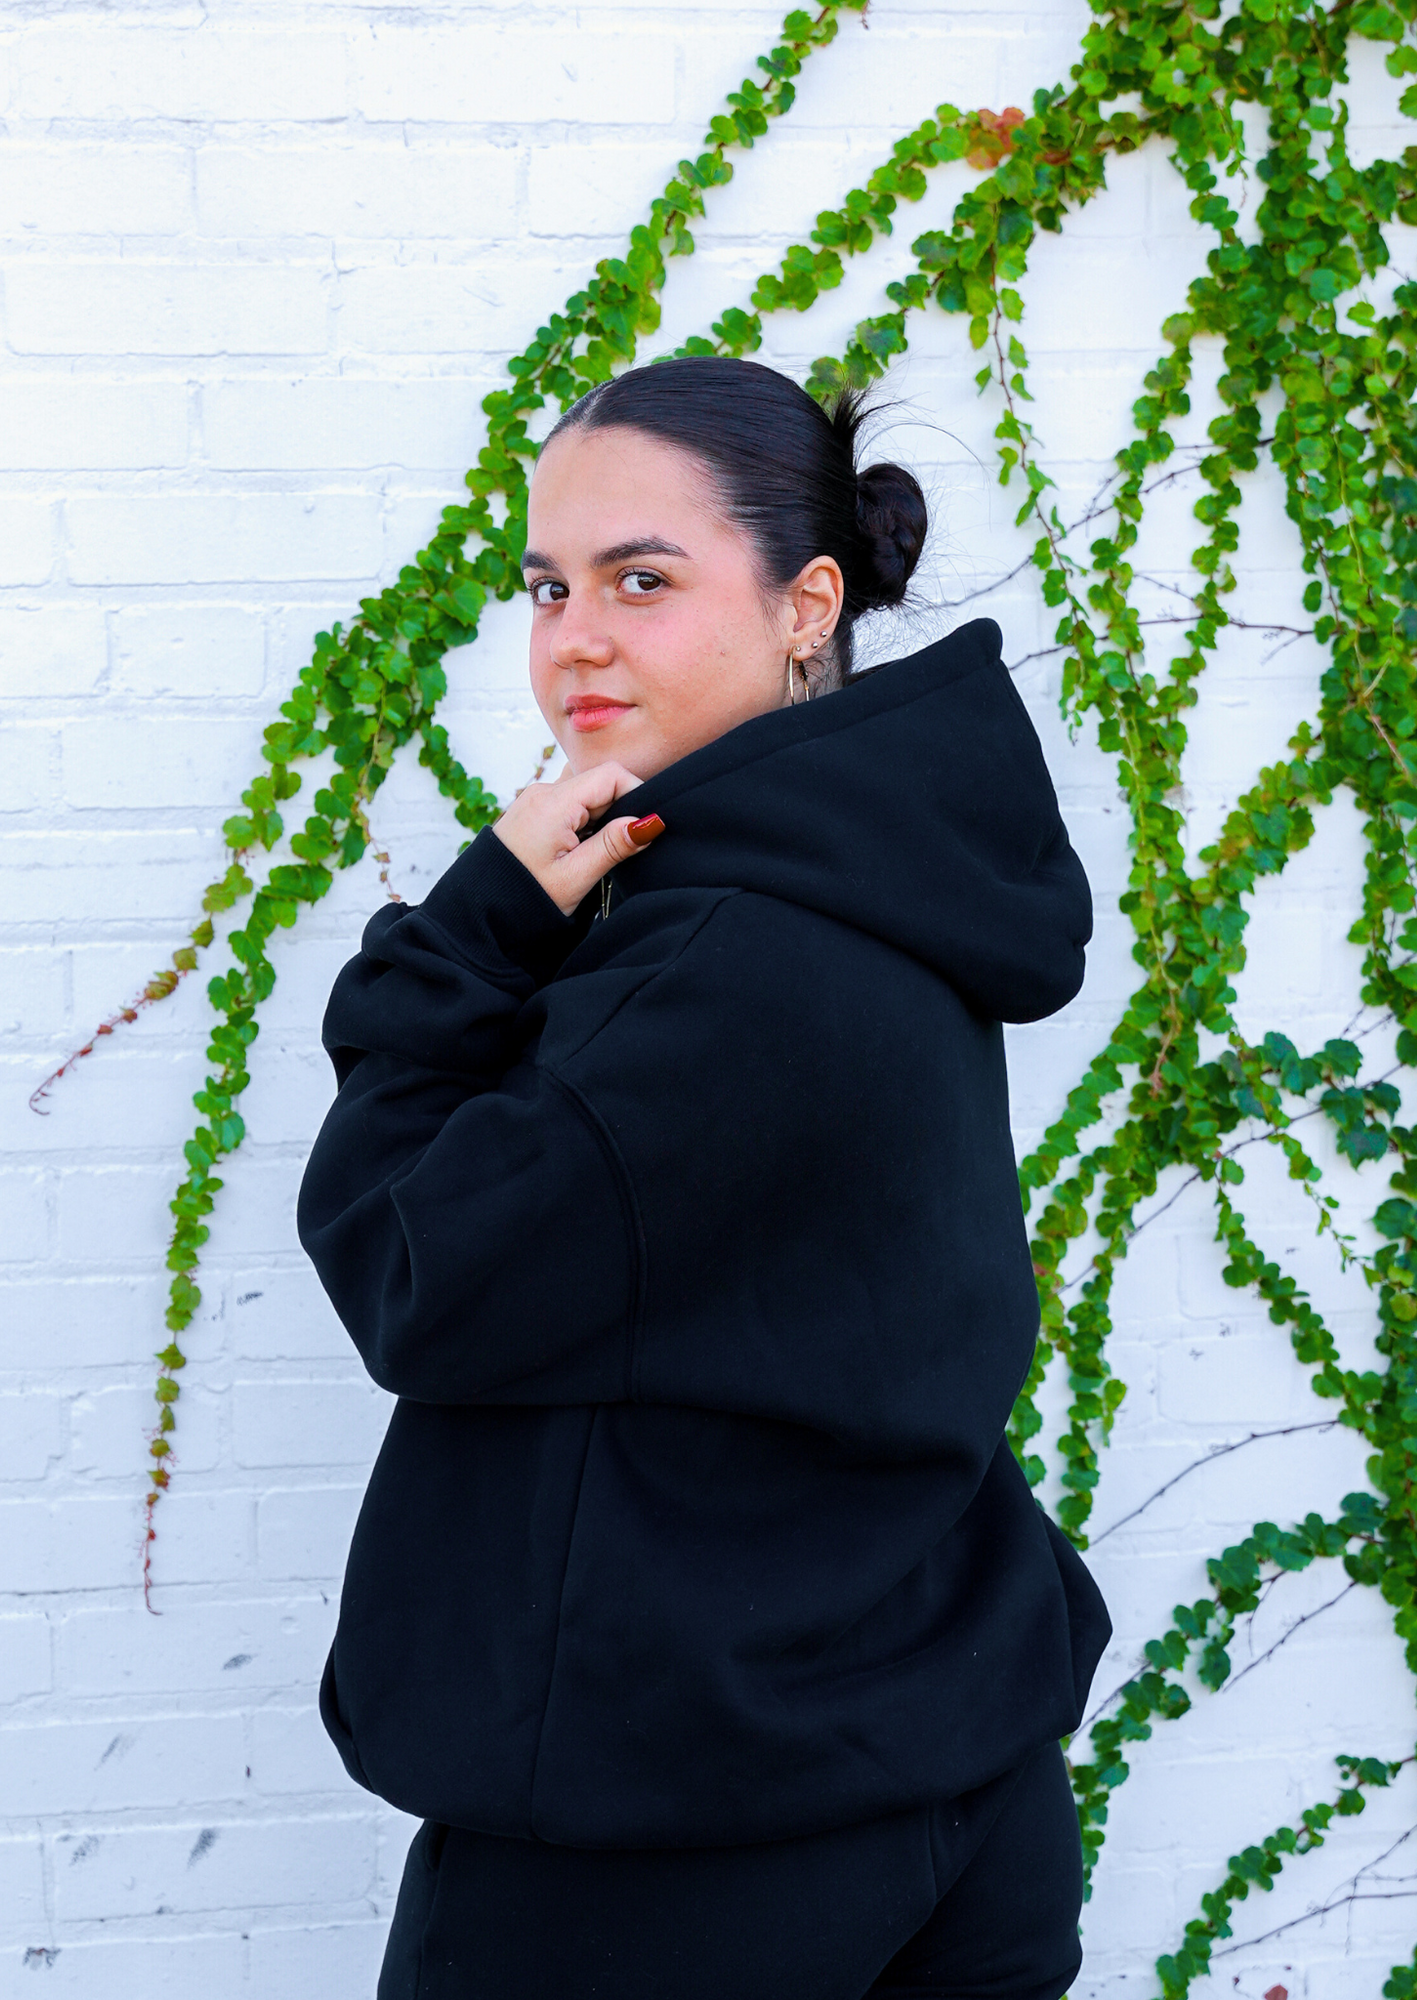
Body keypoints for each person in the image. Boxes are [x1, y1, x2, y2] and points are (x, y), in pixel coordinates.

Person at [296, 355, 1108, 2000]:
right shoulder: (892, 872)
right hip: (945, 1776)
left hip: (682, 1845)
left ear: (808, 604)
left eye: (642, 580)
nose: (574, 636)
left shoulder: (719, 955)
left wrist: (469, 935)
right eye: (547, 586)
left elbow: (412, 1269)